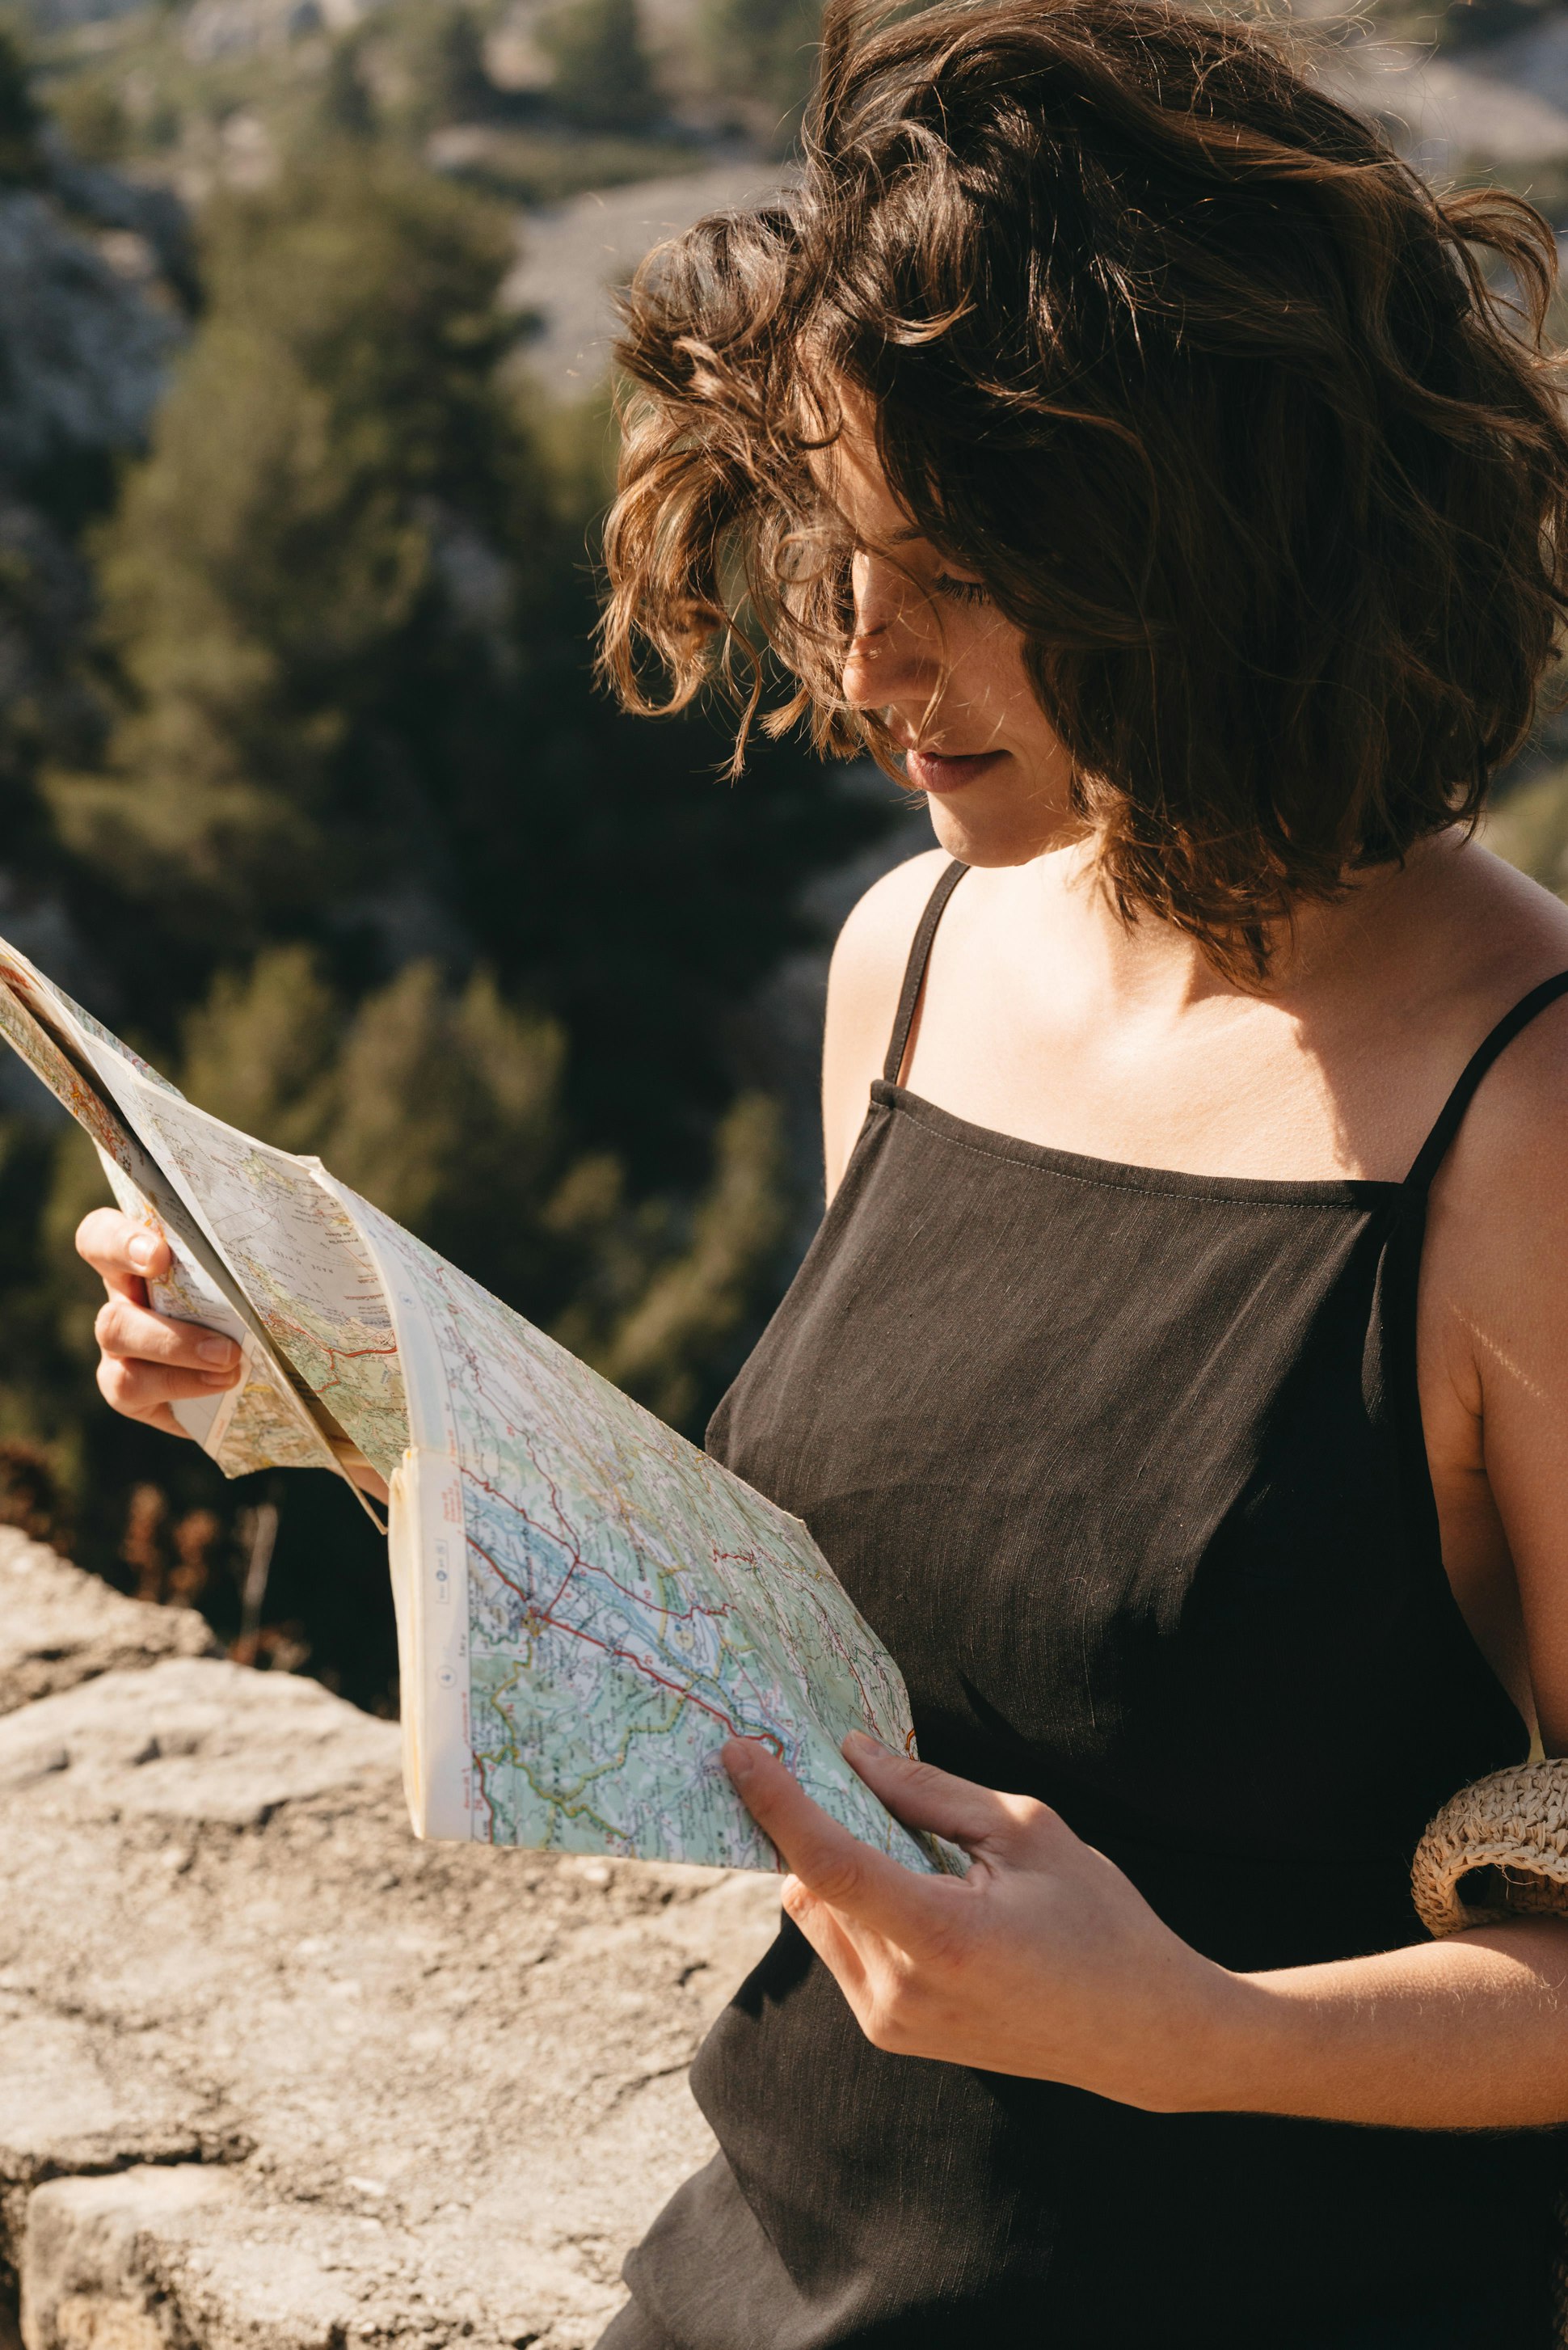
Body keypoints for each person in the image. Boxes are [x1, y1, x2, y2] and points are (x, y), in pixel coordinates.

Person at [78, 0, 1568, 2340]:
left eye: (962, 569)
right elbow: (873, 1640)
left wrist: (1192, 2028)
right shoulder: (919, 948)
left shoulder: (1530, 1117)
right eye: (834, 544)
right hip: (742, 2283)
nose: (867, 658)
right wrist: (354, 1413)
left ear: (1216, 541)